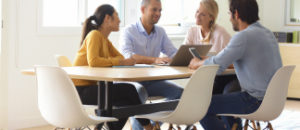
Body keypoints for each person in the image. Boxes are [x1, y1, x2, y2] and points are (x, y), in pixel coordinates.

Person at [188, 0, 282, 129]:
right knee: (227, 95)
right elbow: (225, 57)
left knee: (199, 106)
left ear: (236, 14)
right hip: (274, 101)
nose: (230, 18)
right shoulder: (267, 33)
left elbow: (217, 66)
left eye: (229, 13)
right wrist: (209, 58)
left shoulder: (243, 37)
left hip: (254, 101)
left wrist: (198, 63)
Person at [72, 4, 149, 130]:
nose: (119, 20)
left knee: (127, 102)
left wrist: (124, 61)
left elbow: (122, 59)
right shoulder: (94, 35)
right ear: (107, 18)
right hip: (80, 91)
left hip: (91, 88)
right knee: (129, 90)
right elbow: (94, 61)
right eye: (117, 16)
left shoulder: (104, 40)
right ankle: (149, 126)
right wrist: (121, 61)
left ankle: (107, 128)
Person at [120, 0, 183, 129]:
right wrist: (154, 60)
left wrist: (187, 57)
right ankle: (143, 126)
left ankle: (153, 125)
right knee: (138, 95)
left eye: (160, 10)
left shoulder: (160, 32)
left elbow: (173, 52)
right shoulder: (129, 31)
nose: (158, 13)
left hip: (153, 81)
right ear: (143, 10)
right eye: (154, 9)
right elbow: (128, 56)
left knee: (181, 94)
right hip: (132, 83)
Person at [185, 0, 239, 95]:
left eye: (202, 14)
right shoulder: (192, 31)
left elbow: (235, 60)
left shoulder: (221, 33)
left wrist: (205, 61)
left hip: (224, 78)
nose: (197, 15)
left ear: (211, 18)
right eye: (197, 11)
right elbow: (183, 55)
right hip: (205, 76)